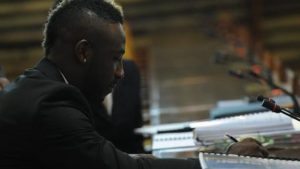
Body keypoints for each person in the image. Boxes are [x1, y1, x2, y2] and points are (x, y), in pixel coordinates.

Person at [0, 0, 201, 168]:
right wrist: (212, 163)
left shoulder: (37, 84)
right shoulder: (52, 104)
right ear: (84, 52)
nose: (121, 72)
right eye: (115, 58)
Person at [95, 60, 144, 153]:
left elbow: (136, 123)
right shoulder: (78, 77)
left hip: (132, 157)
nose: (121, 73)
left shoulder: (129, 69)